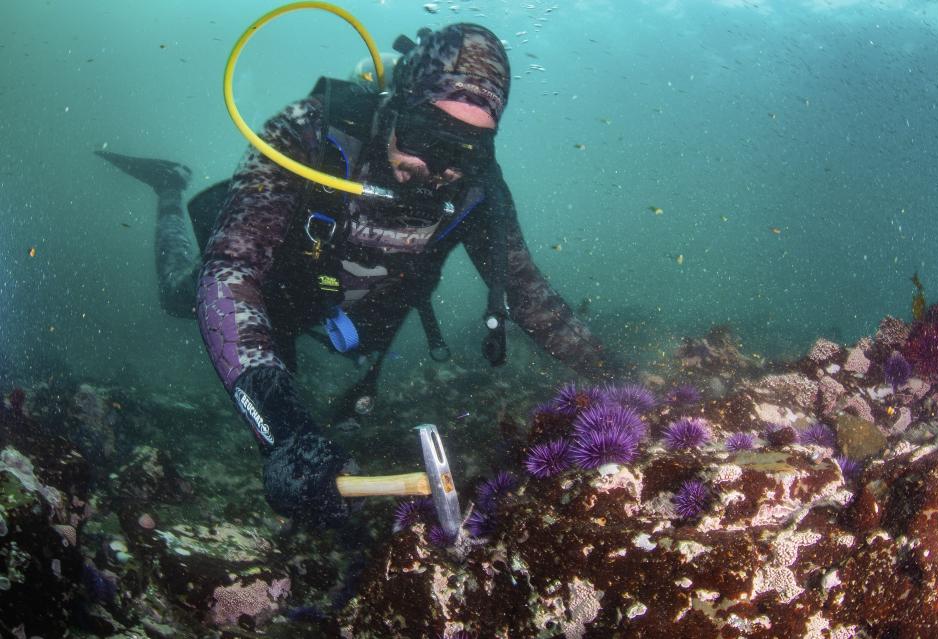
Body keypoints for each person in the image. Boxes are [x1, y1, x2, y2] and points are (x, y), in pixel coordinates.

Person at [97, 23, 621, 530]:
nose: (438, 168)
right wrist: (283, 430)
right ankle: (171, 186)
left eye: (465, 149)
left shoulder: (478, 190)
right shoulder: (307, 132)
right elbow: (231, 271)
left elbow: (530, 297)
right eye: (426, 136)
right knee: (176, 294)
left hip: (348, 316)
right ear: (395, 106)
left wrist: (615, 377)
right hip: (269, 290)